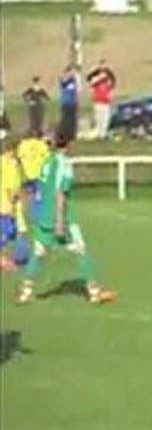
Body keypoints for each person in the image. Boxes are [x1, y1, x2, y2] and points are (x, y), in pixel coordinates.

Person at [15, 131, 117, 305]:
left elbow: (39, 189)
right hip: (62, 217)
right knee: (80, 251)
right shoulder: (64, 164)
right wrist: (60, 221)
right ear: (69, 145)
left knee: (39, 253)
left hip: (44, 216)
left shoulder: (47, 163)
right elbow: (59, 193)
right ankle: (94, 292)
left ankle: (25, 292)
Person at [0, 136, 26, 273]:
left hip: (5, 205)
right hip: (4, 205)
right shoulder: (9, 164)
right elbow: (11, 186)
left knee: (8, 234)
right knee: (4, 235)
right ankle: (3, 262)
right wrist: (14, 197)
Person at [17, 130, 50, 222]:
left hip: (27, 175)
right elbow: (48, 158)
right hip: (40, 175)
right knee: (39, 196)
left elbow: (19, 159)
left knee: (29, 196)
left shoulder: (22, 145)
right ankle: (39, 217)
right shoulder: (41, 145)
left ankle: (29, 217)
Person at [86, 58, 117, 141]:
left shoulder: (109, 74)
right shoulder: (95, 74)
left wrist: (111, 93)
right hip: (97, 98)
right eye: (101, 65)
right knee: (99, 116)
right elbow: (90, 81)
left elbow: (112, 84)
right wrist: (99, 78)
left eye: (104, 65)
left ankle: (104, 133)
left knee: (105, 117)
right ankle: (99, 133)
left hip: (106, 99)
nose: (103, 67)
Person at [58, 65, 81, 142]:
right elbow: (63, 86)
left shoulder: (73, 80)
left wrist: (77, 100)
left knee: (72, 120)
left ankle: (72, 135)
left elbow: (76, 91)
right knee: (66, 119)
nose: (72, 74)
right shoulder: (64, 81)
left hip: (72, 102)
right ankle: (64, 134)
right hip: (66, 103)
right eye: (70, 72)